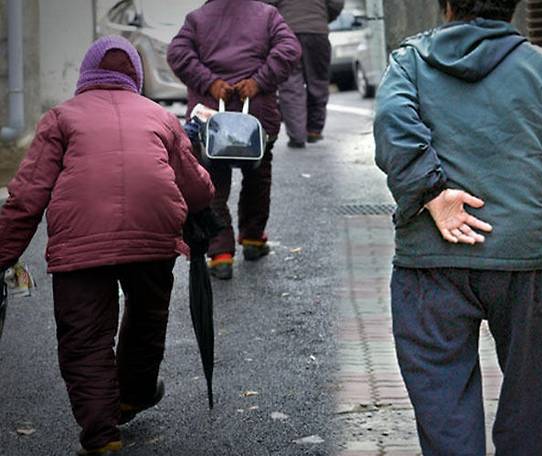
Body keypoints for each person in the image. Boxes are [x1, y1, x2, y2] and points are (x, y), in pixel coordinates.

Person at [373, 1, 542, 455]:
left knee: (444, 412)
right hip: (528, 264)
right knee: (529, 408)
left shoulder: (410, 63)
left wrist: (432, 194)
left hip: (430, 265)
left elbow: (393, 127)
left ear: (446, 4)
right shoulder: (541, 70)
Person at [0, 36, 215, 455]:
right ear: (136, 75)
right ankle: (132, 395)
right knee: (147, 316)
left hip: (80, 241)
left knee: (85, 335)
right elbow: (198, 189)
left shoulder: (60, 117)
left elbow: (27, 197)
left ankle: (102, 437)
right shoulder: (160, 117)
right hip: (153, 232)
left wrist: (4, 253)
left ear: (86, 74)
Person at [167, 0, 301, 280]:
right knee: (258, 176)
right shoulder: (267, 15)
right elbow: (289, 49)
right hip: (256, 117)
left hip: (211, 119)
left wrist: (209, 82)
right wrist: (259, 81)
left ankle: (220, 253)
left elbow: (177, 53)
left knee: (212, 183)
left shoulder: (197, 18)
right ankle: (252, 238)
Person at [265, 0, 344, 148]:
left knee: (290, 86)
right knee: (318, 81)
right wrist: (322, 16)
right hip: (317, 32)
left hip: (286, 32)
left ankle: (297, 135)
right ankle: (314, 129)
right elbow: (336, 3)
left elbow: (266, 4)